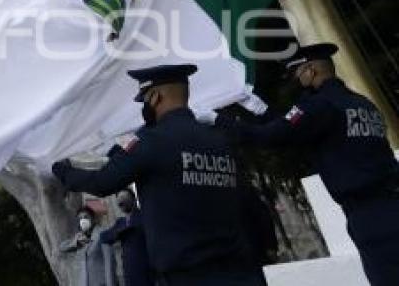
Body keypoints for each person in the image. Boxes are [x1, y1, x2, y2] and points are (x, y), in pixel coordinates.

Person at [205, 42, 399, 286]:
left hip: (371, 215)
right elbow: (293, 130)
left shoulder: (320, 105)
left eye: (297, 72)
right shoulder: (361, 103)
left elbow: (272, 137)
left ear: (311, 71)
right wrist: (261, 109)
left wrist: (218, 120)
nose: (295, 78)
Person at [52, 64, 262, 285]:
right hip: (241, 271)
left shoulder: (151, 142)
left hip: (188, 276)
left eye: (144, 100)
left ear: (154, 96)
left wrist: (59, 169)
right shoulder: (219, 139)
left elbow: (101, 182)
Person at [100, 189, 155, 286]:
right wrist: (118, 233)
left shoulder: (144, 216)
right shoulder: (120, 222)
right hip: (128, 273)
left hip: (147, 272)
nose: (121, 200)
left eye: (124, 197)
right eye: (119, 198)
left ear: (134, 199)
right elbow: (104, 237)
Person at [59, 206, 116, 286]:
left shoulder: (102, 233)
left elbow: (109, 262)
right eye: (80, 219)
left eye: (86, 217)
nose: (83, 220)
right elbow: (62, 247)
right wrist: (75, 243)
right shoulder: (79, 238)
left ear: (93, 219)